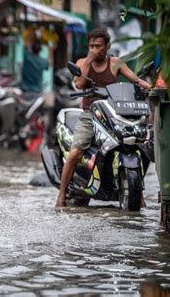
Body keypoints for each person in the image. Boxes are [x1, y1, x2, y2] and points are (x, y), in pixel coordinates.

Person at [55, 28, 151, 207]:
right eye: (91, 46)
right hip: (90, 114)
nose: (94, 49)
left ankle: (138, 191)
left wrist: (148, 87)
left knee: (140, 146)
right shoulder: (83, 62)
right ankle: (61, 195)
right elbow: (79, 84)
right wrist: (89, 60)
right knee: (76, 152)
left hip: (114, 114)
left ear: (107, 46)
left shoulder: (116, 63)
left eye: (98, 46)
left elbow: (134, 80)